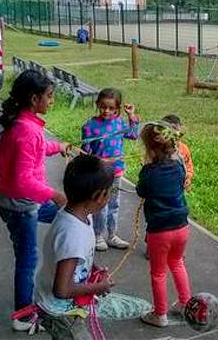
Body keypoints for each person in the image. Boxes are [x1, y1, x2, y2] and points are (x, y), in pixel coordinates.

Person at [0, 70, 69, 332]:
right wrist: (56, 195)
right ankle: (23, 316)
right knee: (27, 260)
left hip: (20, 202)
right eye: (49, 96)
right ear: (35, 98)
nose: (52, 101)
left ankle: (64, 277)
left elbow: (37, 149)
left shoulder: (25, 125)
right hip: (21, 206)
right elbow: (24, 181)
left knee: (66, 215)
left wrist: (58, 146)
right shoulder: (27, 131)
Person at [35, 154, 114, 340]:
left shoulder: (77, 212)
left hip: (63, 305)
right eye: (109, 191)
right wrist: (97, 288)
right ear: (98, 196)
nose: (110, 195)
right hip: (59, 311)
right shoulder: (73, 233)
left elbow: (75, 256)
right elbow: (61, 290)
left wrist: (91, 267)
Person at [136, 121, 192, 328]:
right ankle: (186, 304)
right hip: (181, 226)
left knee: (158, 273)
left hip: (160, 231)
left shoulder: (149, 172)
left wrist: (146, 166)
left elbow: (141, 191)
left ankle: (160, 314)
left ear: (151, 149)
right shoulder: (178, 165)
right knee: (177, 263)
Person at [81, 88, 139, 252]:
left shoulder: (119, 123)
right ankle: (98, 235)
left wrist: (131, 116)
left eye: (111, 108)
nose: (107, 111)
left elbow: (134, 135)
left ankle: (112, 235)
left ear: (117, 109)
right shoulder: (90, 126)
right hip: (99, 174)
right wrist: (93, 163)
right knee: (100, 204)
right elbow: (84, 152)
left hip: (116, 172)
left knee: (114, 204)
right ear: (98, 104)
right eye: (103, 107)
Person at [161, 114, 194, 191]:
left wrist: (188, 177)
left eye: (176, 129)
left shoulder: (184, 148)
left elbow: (189, 166)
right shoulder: (156, 149)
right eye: (169, 129)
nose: (174, 132)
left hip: (177, 189)